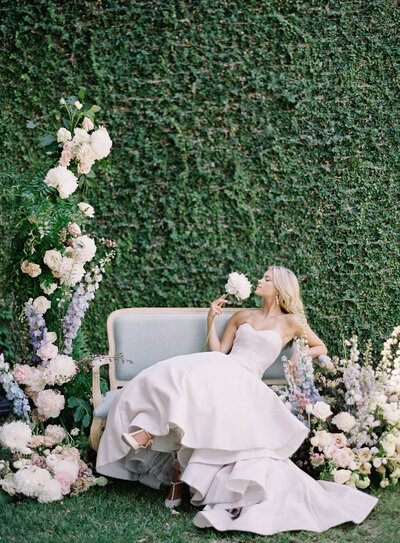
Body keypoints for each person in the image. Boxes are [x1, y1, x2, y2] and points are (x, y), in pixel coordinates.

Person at [95, 265, 378, 536]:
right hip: (221, 368)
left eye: (266, 279)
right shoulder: (242, 316)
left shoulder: (292, 322)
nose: (260, 281)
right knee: (175, 375)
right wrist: (210, 319)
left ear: (279, 289)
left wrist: (300, 355)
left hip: (245, 381)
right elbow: (219, 351)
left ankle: (164, 459)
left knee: (199, 387)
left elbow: (320, 346)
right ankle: (154, 442)